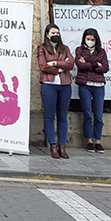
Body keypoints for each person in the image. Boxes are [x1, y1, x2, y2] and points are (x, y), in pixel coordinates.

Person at [37, 23, 75, 159]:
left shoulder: (65, 48)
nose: (56, 35)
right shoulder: (42, 48)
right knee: (49, 116)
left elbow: (71, 63)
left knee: (62, 116)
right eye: (53, 33)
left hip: (65, 85)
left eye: (57, 33)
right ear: (47, 35)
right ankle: (52, 146)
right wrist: (61, 67)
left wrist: (54, 63)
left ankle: (62, 147)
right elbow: (42, 66)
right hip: (49, 85)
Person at [74, 27, 109, 154]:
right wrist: (96, 64)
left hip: (99, 86)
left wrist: (89, 63)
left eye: (92, 39)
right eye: (88, 39)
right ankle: (89, 141)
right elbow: (80, 65)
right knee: (88, 114)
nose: (90, 41)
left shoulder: (102, 52)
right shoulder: (79, 50)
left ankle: (98, 141)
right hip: (85, 85)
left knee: (98, 115)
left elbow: (105, 68)